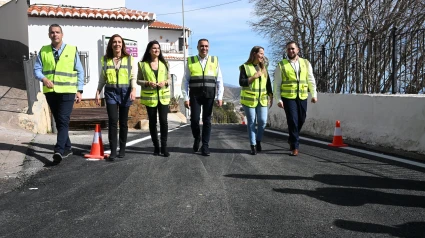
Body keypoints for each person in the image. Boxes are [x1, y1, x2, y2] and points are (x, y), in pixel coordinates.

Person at [34, 24, 84, 165]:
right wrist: (44, 79)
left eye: (57, 32)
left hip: (68, 92)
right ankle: (68, 147)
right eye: (52, 32)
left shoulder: (72, 50)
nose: (55, 34)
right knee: (59, 121)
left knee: (63, 120)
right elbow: (37, 69)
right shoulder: (43, 51)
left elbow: (80, 71)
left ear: (62, 34)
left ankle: (59, 150)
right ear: (49, 35)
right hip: (51, 92)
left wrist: (79, 90)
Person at [95, 34, 137, 161]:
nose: (117, 44)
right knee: (113, 121)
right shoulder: (105, 60)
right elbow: (103, 78)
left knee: (123, 122)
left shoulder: (130, 59)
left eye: (119, 42)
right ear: (111, 44)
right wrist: (98, 91)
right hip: (110, 92)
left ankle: (122, 148)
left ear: (122, 44)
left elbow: (133, 76)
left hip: (125, 92)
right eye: (114, 42)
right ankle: (113, 150)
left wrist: (134, 90)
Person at [273, 41, 318, 156]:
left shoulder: (305, 63)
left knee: (301, 119)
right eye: (288, 49)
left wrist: (314, 94)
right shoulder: (281, 65)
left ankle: (291, 137)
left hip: (302, 96)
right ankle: (295, 146)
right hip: (288, 97)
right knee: (293, 120)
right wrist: (278, 99)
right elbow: (277, 84)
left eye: (293, 48)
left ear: (298, 50)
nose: (291, 51)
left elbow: (311, 79)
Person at [182, 39, 224, 156]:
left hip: (209, 95)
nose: (204, 48)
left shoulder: (214, 60)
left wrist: (219, 96)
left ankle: (205, 146)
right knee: (194, 120)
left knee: (207, 120)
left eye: (206, 46)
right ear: (197, 47)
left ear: (209, 47)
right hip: (195, 95)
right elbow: (185, 80)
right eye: (202, 46)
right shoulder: (191, 61)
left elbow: (219, 80)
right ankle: (197, 138)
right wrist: (186, 97)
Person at [137, 40, 171, 157]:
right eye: (154, 48)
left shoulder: (165, 63)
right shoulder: (143, 64)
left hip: (163, 97)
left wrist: (165, 82)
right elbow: (138, 80)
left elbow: (170, 79)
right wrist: (147, 83)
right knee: (152, 123)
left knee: (163, 121)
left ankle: (164, 147)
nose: (156, 50)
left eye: (158, 48)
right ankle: (156, 147)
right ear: (149, 50)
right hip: (150, 98)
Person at [239, 46, 273, 155]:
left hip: (262, 99)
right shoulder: (245, 67)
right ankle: (253, 145)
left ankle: (258, 141)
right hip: (249, 100)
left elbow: (268, 83)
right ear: (254, 54)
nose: (262, 56)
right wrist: (254, 77)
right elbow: (242, 82)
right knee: (252, 122)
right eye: (261, 53)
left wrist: (271, 95)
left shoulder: (264, 68)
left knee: (263, 122)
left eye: (263, 54)